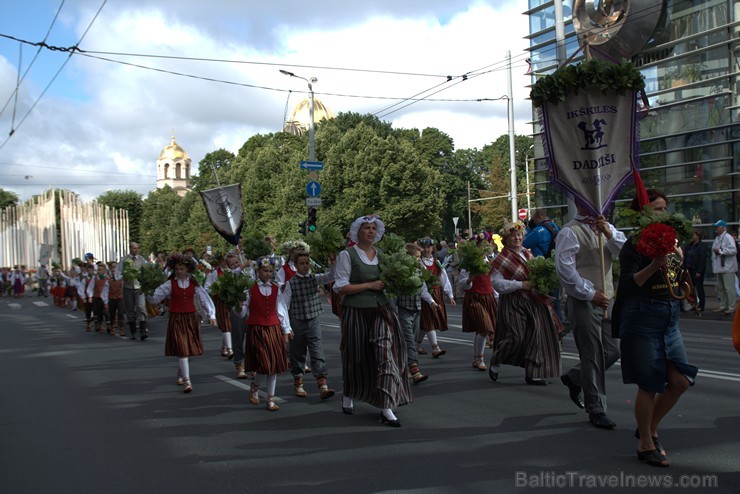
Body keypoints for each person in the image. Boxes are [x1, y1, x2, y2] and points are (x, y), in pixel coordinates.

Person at [615, 189, 697, 467]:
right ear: (643, 213)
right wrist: (654, 264)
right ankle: (646, 443)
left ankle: (648, 426)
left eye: (665, 208)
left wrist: (677, 259)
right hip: (642, 315)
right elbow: (626, 285)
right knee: (649, 384)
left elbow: (674, 278)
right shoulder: (634, 244)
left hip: (669, 315)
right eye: (658, 209)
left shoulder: (670, 240)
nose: (664, 214)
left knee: (680, 381)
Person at [332, 215, 412, 427]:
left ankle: (386, 407)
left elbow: (389, 282)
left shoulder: (383, 255)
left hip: (381, 311)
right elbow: (340, 286)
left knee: (385, 354)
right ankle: (348, 393)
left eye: (373, 228)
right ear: (357, 232)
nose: (370, 231)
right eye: (366, 228)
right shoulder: (347, 255)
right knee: (355, 355)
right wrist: (369, 285)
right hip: (356, 311)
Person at [554, 204, 626, 429]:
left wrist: (609, 233)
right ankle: (596, 408)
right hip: (585, 300)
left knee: (613, 350)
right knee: (592, 353)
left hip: (608, 298)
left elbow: (624, 252)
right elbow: (565, 270)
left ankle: (575, 377)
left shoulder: (606, 226)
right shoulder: (570, 231)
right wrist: (589, 292)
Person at [488, 220, 562, 385]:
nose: (517, 238)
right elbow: (496, 283)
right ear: (506, 239)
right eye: (513, 236)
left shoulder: (528, 254)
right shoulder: (502, 258)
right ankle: (496, 359)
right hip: (513, 301)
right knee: (515, 336)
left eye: (519, 235)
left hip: (532, 300)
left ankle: (533, 373)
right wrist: (520, 285)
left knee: (537, 337)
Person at [148, 254, 216, 394]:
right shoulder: (170, 284)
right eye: (177, 268)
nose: (179, 271)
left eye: (182, 268)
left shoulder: (194, 283)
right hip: (177, 318)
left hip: (190, 318)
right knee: (182, 349)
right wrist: (147, 291)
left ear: (188, 269)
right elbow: (156, 298)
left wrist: (212, 314)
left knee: (187, 349)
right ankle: (187, 380)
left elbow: (204, 299)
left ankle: (181, 370)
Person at [283, 250, 337, 399]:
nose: (305, 266)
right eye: (302, 263)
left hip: (313, 320)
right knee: (298, 352)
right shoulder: (290, 283)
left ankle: (323, 385)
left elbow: (331, 276)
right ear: (295, 265)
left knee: (317, 351)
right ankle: (298, 383)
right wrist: (286, 327)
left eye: (307, 263)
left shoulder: (315, 278)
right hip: (297, 321)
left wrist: (333, 263)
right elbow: (284, 305)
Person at [241, 256, 292, 411]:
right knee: (264, 363)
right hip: (257, 329)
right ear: (258, 271)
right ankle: (256, 386)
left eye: (270, 271)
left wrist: (286, 329)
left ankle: (270, 398)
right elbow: (243, 312)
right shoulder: (249, 289)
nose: (268, 274)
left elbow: (281, 309)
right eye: (265, 271)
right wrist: (238, 306)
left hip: (273, 328)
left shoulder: (276, 289)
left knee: (273, 364)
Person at [395, 243, 432, 384]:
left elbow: (423, 288)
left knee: (412, 340)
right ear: (408, 256)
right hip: (403, 308)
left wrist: (431, 301)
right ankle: (415, 369)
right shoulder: (401, 270)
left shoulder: (420, 268)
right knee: (409, 339)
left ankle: (403, 367)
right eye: (416, 257)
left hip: (417, 308)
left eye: (419, 257)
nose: (418, 259)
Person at [458, 245, 497, 371]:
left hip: (488, 297)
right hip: (474, 297)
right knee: (484, 328)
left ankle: (477, 358)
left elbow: (494, 281)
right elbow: (461, 284)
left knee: (482, 330)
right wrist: (469, 280)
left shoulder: (490, 263)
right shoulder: (469, 266)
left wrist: (497, 296)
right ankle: (479, 358)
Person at [417, 237, 456, 357]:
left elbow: (443, 278)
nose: (426, 249)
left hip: (437, 293)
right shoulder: (419, 263)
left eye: (428, 247)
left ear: (432, 248)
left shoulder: (436, 262)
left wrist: (450, 295)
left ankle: (416, 343)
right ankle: (435, 348)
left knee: (429, 321)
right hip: (425, 294)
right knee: (429, 320)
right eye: (424, 247)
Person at [523, 209, 564, 321]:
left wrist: (527, 228)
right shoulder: (554, 226)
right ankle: (560, 328)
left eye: (533, 218)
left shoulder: (539, 230)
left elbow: (524, 243)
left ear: (538, 217)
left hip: (543, 269)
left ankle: (553, 329)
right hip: (555, 267)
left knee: (545, 303)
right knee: (555, 302)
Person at [204, 253, 236, 359]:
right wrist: (217, 290)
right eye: (223, 261)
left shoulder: (231, 272)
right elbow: (207, 287)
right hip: (221, 301)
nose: (225, 263)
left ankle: (224, 347)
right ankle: (230, 349)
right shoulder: (213, 274)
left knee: (230, 324)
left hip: (231, 301)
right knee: (225, 323)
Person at [115, 241, 149, 340]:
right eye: (134, 248)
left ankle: (143, 330)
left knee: (141, 307)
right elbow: (118, 273)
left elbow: (146, 271)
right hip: (128, 287)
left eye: (137, 248)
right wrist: (123, 277)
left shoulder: (142, 259)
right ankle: (133, 331)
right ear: (130, 248)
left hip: (139, 287)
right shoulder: (124, 259)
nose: (136, 250)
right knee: (130, 310)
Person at [710, 220, 737, 315]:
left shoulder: (728, 237)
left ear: (723, 228)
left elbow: (733, 250)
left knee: (729, 288)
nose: (716, 229)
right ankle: (723, 305)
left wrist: (721, 251)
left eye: (717, 227)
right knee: (721, 288)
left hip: (728, 268)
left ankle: (732, 306)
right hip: (720, 268)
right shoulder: (717, 238)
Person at [682, 230, 706, 312]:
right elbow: (686, 255)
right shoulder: (690, 245)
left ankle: (701, 305)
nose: (693, 236)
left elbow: (702, 260)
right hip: (689, 269)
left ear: (698, 236)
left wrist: (699, 271)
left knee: (699, 288)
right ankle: (693, 304)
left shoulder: (701, 246)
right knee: (691, 288)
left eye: (694, 235)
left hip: (696, 270)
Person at [87, 262, 110, 334]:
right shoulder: (94, 279)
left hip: (105, 298)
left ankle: (108, 325)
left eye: (101, 270)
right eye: (98, 270)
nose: (99, 272)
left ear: (104, 271)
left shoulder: (107, 279)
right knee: (98, 312)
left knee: (106, 312)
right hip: (97, 298)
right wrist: (90, 296)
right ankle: (99, 325)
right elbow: (90, 288)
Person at [107, 261, 126, 336]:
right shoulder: (108, 279)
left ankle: (121, 328)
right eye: (112, 268)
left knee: (121, 313)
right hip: (111, 298)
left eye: (115, 267)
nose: (113, 269)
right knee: (112, 313)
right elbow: (105, 290)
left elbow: (124, 288)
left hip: (120, 298)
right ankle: (112, 327)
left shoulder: (121, 278)